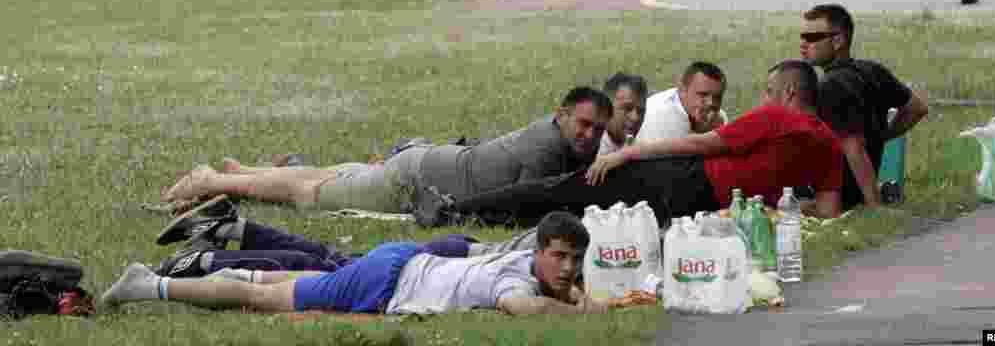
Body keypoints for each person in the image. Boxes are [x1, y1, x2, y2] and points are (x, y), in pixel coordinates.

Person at [438, 61, 843, 228]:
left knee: (568, 191)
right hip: (706, 209)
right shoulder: (829, 145)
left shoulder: (778, 117)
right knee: (584, 211)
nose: (764, 99)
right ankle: (476, 213)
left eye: (770, 91)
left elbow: (700, 146)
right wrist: (772, 203)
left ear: (790, 94)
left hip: (683, 179)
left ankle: (456, 210)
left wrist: (628, 153)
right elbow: (827, 209)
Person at [160, 87, 612, 216]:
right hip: (416, 177)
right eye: (585, 124)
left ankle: (247, 171)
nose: (590, 135)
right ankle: (214, 181)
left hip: (425, 162)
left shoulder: (558, 136)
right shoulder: (547, 147)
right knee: (310, 192)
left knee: (339, 173)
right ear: (562, 115)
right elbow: (523, 205)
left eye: (598, 130)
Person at [101, 211, 613, 316]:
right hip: (388, 283)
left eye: (574, 260)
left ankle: (236, 268)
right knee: (265, 302)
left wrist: (571, 292)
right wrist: (583, 311)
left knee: (317, 273)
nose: (567, 268)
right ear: (539, 251)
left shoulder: (527, 259)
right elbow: (518, 307)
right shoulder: (513, 277)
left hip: (402, 261)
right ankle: (148, 287)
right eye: (560, 257)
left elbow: (553, 289)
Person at [150, 195, 482, 279]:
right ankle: (203, 261)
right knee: (326, 270)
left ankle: (225, 229)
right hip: (464, 261)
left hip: (460, 254)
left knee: (336, 261)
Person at [799, 4, 929, 210]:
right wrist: (881, 137)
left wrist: (874, 205)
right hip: (854, 189)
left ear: (838, 40)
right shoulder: (872, 71)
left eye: (812, 38)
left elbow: (854, 147)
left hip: (836, 195)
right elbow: (917, 108)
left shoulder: (829, 86)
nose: (803, 44)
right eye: (802, 37)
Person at [634, 61, 728, 143]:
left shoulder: (718, 117)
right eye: (703, 95)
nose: (711, 103)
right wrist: (708, 135)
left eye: (717, 97)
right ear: (682, 90)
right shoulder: (662, 118)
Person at [597, 73, 648, 155]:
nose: (635, 118)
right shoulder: (588, 152)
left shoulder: (643, 150)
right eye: (627, 108)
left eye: (641, 111)